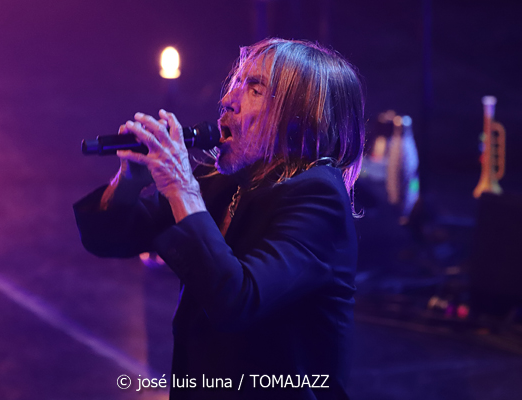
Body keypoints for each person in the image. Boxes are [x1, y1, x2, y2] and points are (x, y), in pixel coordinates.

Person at [74, 38, 365, 399]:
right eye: (236, 83)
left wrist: (180, 185)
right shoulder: (220, 182)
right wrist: (130, 181)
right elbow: (107, 238)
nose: (227, 99)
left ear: (299, 116)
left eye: (254, 89)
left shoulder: (318, 197)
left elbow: (236, 301)